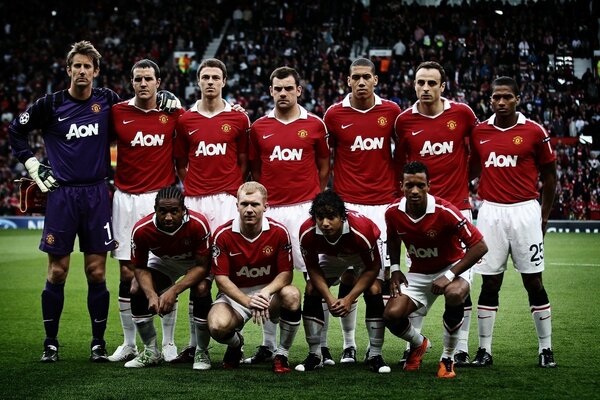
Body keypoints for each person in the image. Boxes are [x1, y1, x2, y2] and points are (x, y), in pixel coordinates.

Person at [8, 41, 120, 363]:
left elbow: (135, 116)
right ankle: (51, 343)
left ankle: (98, 344)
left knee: (97, 272)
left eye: (88, 66)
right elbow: (16, 130)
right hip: (61, 194)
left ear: (96, 71)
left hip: (97, 193)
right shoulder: (50, 104)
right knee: (57, 271)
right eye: (77, 66)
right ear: (68, 70)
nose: (82, 71)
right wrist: (31, 163)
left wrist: (165, 105)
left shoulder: (108, 100)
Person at [394, 61, 479, 366]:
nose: (426, 88)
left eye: (432, 83)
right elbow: (399, 164)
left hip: (458, 207)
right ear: (414, 85)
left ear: (443, 86)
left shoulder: (463, 114)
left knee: (460, 287)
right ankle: (414, 344)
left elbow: (478, 153)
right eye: (421, 83)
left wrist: (465, 184)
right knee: (417, 275)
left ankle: (460, 348)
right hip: (418, 213)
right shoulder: (403, 121)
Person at [469, 76, 557, 368]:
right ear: (490, 100)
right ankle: (484, 351)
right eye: (497, 97)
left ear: (518, 98)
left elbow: (550, 175)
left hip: (525, 211)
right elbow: (469, 170)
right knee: (490, 282)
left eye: (507, 97)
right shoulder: (479, 131)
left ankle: (546, 349)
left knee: (533, 280)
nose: (502, 102)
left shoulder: (534, 131)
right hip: (490, 212)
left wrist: (543, 216)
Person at [246, 67, 329, 365]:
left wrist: (312, 199)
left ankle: (318, 349)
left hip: (305, 210)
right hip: (273, 212)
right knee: (270, 279)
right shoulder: (258, 128)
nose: (283, 93)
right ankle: (268, 345)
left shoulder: (315, 125)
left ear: (299, 91)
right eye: (277, 88)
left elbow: (323, 165)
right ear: (270, 91)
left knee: (313, 280)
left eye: (288, 88)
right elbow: (256, 171)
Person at [173, 58, 251, 363]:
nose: (210, 82)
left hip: (227, 199)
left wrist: (232, 187)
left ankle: (237, 339)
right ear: (198, 81)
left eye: (215, 77)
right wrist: (193, 185)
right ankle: (197, 347)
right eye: (204, 77)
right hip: (195, 201)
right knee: (199, 275)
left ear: (224, 81)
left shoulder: (238, 119)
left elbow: (243, 160)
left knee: (229, 269)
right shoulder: (185, 120)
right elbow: (181, 162)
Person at [323, 57, 401, 364]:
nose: (361, 82)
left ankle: (375, 349)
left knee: (376, 283)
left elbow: (404, 150)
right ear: (347, 80)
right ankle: (349, 345)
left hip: (382, 207)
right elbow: (324, 157)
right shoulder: (334, 115)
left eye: (366, 77)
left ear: (376, 80)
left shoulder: (391, 112)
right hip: (348, 207)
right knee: (347, 275)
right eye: (355, 77)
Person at [108, 59, 186, 363]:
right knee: (127, 272)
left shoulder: (172, 114)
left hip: (159, 200)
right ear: (131, 82)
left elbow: (201, 117)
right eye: (138, 79)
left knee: (162, 269)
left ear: (158, 82)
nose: (143, 83)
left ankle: (167, 343)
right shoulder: (118, 113)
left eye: (148, 78)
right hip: (125, 199)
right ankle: (129, 343)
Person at [383, 161, 488, 378]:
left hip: (452, 267)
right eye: (409, 185)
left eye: (420, 185)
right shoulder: (392, 212)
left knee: (455, 293)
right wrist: (394, 268)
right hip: (419, 271)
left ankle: (448, 357)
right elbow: (393, 238)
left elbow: (480, 246)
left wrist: (449, 275)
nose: (414, 191)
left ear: (429, 186)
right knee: (391, 315)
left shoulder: (446, 211)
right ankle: (419, 344)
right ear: (401, 185)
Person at [208, 181, 302, 374]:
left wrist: (265, 293)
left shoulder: (279, 232)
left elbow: (286, 273)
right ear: (237, 206)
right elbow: (222, 279)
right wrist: (248, 301)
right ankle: (236, 344)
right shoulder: (222, 235)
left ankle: (282, 354)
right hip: (236, 296)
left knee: (292, 295)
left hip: (269, 294)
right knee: (217, 327)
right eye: (244, 204)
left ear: (265, 206)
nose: (249, 209)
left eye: (255, 204)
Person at [296, 190, 390, 374]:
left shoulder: (361, 230)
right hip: (332, 255)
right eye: (320, 217)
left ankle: (375, 355)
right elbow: (313, 269)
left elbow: (371, 269)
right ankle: (315, 355)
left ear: (342, 217)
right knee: (311, 288)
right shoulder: (306, 232)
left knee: (373, 288)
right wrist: (329, 298)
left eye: (331, 217)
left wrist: (349, 298)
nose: (325, 223)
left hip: (361, 254)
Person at [124, 186, 212, 369]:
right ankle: (151, 351)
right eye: (162, 211)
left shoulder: (198, 224)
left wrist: (173, 291)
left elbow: (203, 267)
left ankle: (201, 351)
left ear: (183, 210)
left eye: (174, 211)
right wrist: (151, 295)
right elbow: (139, 268)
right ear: (155, 210)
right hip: (164, 262)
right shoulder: (142, 230)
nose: (168, 217)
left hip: (194, 264)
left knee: (202, 288)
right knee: (136, 288)